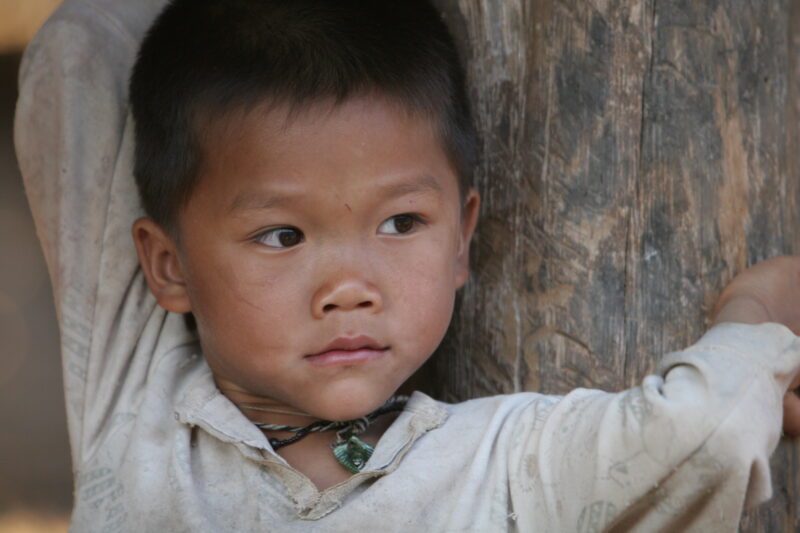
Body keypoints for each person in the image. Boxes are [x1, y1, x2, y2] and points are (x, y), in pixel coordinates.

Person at [14, 0, 800, 531]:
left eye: (401, 222)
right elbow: (77, 52)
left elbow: (710, 434)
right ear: (166, 264)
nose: (349, 288)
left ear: (461, 240)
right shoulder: (135, 391)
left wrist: (758, 314)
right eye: (282, 235)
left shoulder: (501, 467)